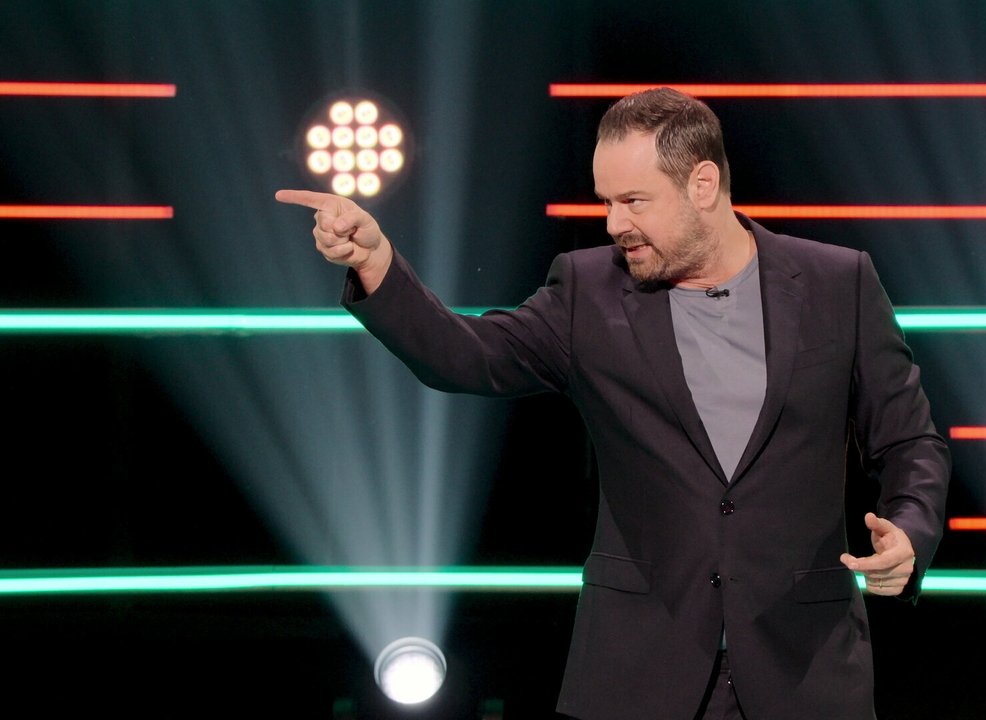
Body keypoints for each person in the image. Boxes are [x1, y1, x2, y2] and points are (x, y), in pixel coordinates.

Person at [277, 87, 949, 720]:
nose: (614, 224)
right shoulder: (586, 292)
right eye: (606, 201)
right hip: (637, 674)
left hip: (804, 673)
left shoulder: (838, 283)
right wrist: (377, 263)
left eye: (633, 201)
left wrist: (909, 532)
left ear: (703, 185)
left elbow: (911, 442)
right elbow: (466, 356)